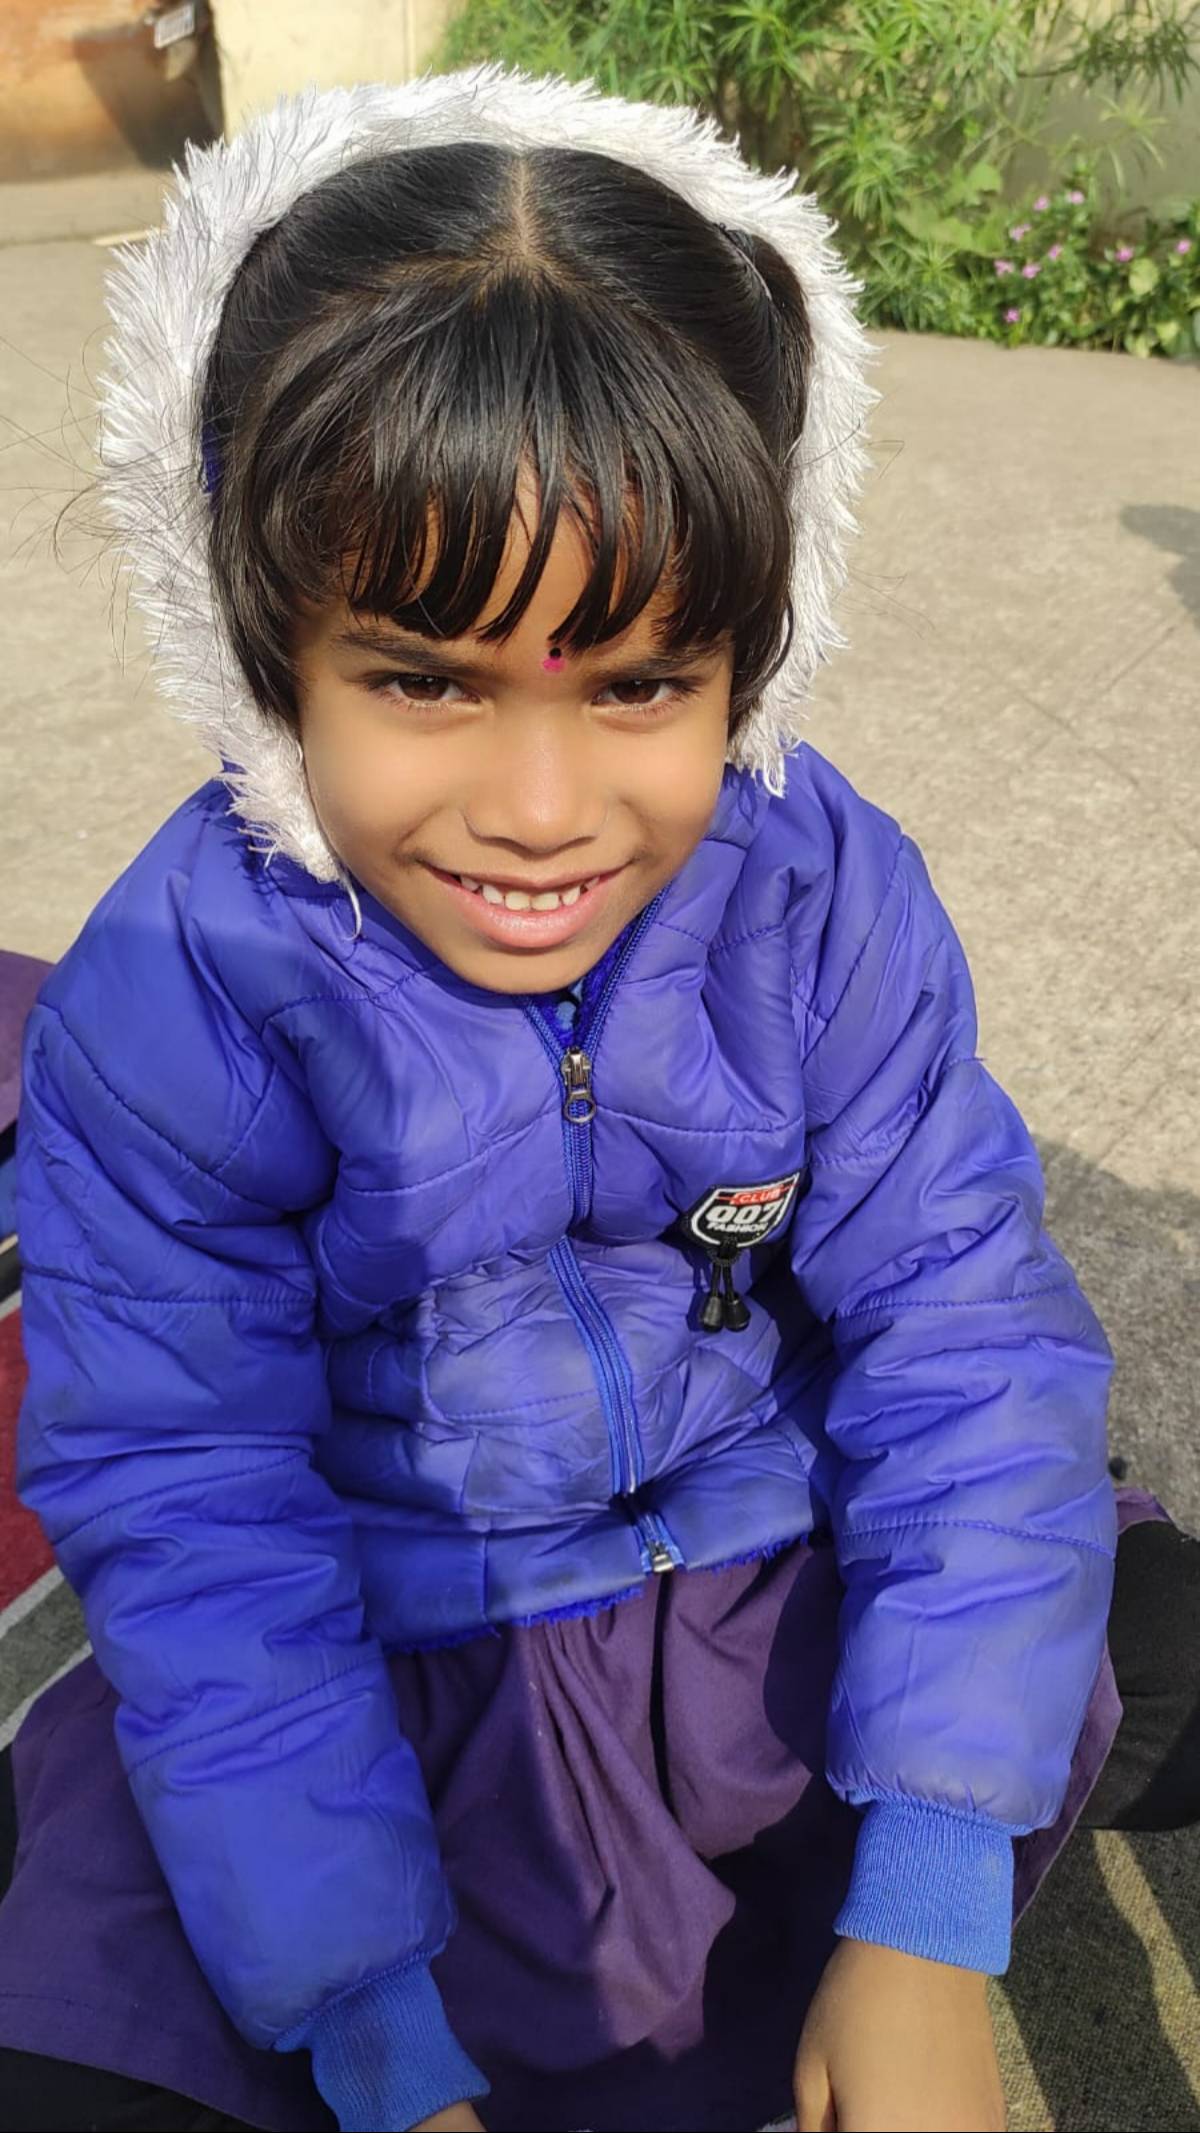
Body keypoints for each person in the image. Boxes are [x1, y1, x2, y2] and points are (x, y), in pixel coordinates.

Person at [0, 61, 1196, 2133]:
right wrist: (372, 2036)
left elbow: (966, 1335)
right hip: (390, 1664)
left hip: (773, 1576)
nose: (544, 810)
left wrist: (928, 1898)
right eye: (424, 676)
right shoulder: (177, 996)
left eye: (642, 680)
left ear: (755, 648)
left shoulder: (818, 893)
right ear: (265, 645)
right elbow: (198, 1514)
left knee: (1095, 1604)